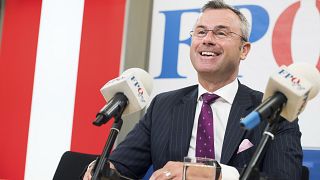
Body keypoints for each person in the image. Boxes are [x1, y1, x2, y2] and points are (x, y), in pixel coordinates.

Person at [84, 0, 302, 179]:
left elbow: (284, 177)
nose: (207, 40)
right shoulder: (164, 105)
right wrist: (105, 170)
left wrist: (214, 174)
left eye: (221, 33)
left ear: (243, 50)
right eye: (200, 32)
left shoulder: (274, 110)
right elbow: (122, 166)